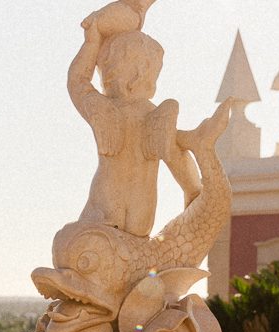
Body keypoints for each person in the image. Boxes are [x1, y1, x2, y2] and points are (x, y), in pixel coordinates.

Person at [68, 0, 202, 239]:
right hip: (141, 223)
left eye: (105, 68)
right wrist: (195, 199)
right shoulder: (158, 117)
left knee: (66, 242)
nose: (103, 77)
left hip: (102, 213)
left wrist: (92, 41)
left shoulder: (106, 109)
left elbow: (77, 81)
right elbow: (182, 168)